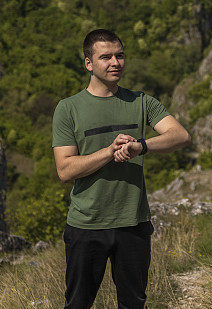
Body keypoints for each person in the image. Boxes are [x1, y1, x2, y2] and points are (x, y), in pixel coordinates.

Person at [52, 28, 191, 309]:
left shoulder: (141, 102)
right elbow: (65, 170)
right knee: (78, 303)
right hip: (87, 225)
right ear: (88, 64)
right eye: (106, 57)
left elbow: (180, 136)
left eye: (120, 55)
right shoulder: (68, 109)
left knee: (134, 303)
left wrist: (142, 145)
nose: (115, 63)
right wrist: (109, 151)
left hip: (133, 224)